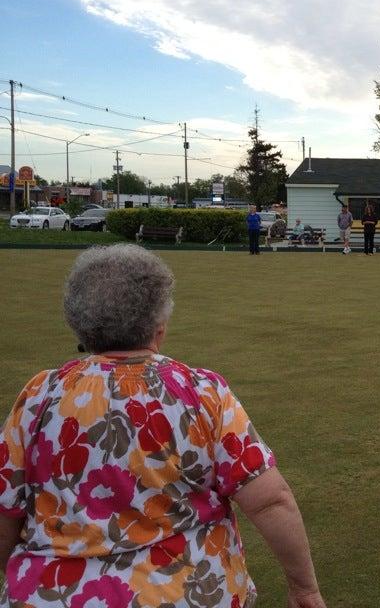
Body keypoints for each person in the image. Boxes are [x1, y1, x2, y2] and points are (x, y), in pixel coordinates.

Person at [0, 245, 326, 607]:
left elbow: (6, 511)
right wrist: (304, 588)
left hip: (51, 594)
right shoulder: (202, 392)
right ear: (159, 325)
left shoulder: (38, 395)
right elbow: (270, 501)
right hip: (189, 592)